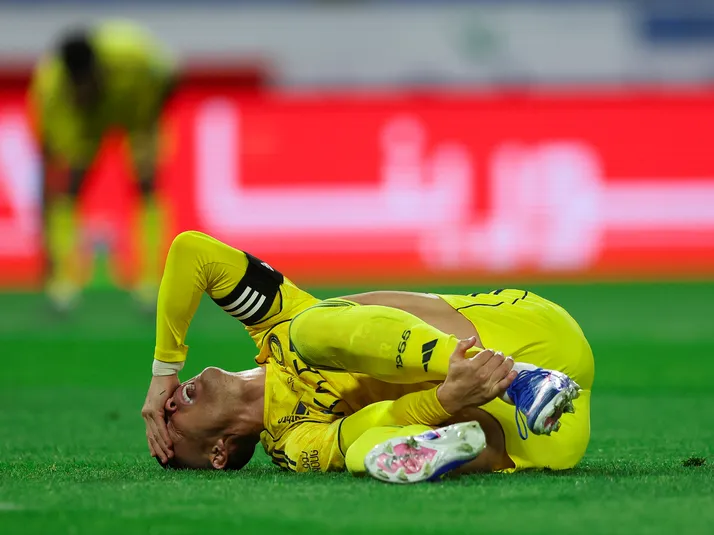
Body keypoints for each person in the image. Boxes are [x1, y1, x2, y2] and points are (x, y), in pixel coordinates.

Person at [142, 231, 593, 482]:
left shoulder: (274, 327)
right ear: (218, 453)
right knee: (364, 448)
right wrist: (444, 400)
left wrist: (164, 370)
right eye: (170, 427)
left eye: (163, 410)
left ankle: (516, 378)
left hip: (528, 337)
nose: (168, 406)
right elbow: (374, 421)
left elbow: (192, 253)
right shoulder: (292, 442)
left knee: (307, 327)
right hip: (542, 435)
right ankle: (434, 449)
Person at [29, 21, 177, 311]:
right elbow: (47, 163)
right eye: (77, 86)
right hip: (85, 120)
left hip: (135, 110)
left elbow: (172, 75)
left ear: (99, 69)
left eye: (87, 82)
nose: (83, 90)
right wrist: (46, 244)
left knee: (148, 185)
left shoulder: (133, 53)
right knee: (69, 186)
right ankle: (63, 282)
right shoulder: (50, 90)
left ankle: (150, 281)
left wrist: (151, 114)